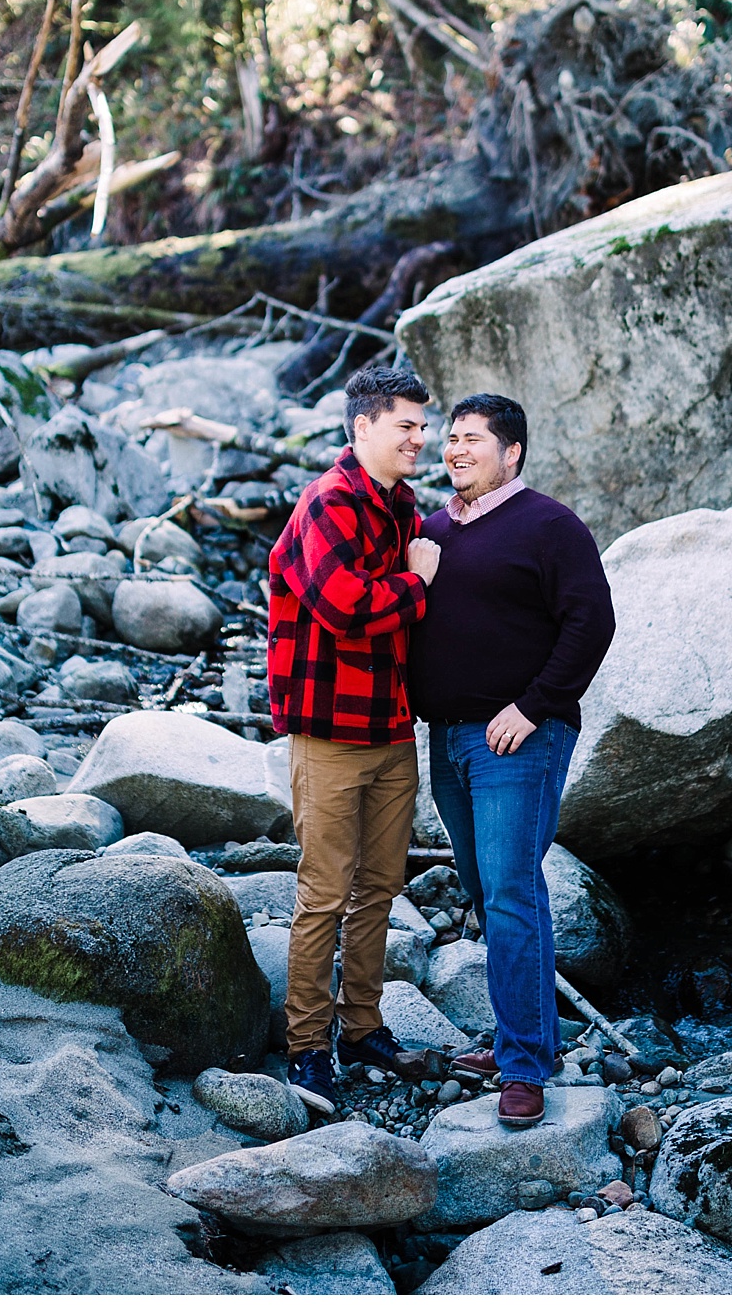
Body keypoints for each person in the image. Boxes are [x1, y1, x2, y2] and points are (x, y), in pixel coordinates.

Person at [408, 393, 615, 1127]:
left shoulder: (550, 525)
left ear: (512, 451)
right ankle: (521, 1039)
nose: (456, 449)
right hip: (450, 739)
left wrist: (531, 706)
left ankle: (525, 1065)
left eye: (472, 439)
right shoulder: (430, 532)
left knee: (509, 891)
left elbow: (592, 620)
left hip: (520, 739)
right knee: (492, 888)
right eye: (452, 439)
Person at [268, 363, 443, 1115]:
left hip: (391, 728)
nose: (420, 437)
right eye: (407, 424)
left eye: (423, 424)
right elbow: (348, 609)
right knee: (323, 895)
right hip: (330, 734)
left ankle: (362, 1026)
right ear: (363, 425)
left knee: (379, 889)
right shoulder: (327, 503)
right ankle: (307, 1046)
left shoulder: (402, 506)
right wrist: (420, 583)